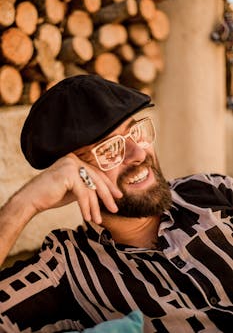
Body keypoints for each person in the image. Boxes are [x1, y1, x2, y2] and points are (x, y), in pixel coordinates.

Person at [0, 74, 232, 333]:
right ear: (72, 174)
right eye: (110, 149)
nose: (140, 153)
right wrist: (26, 202)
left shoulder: (212, 190)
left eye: (136, 132)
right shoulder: (68, 268)